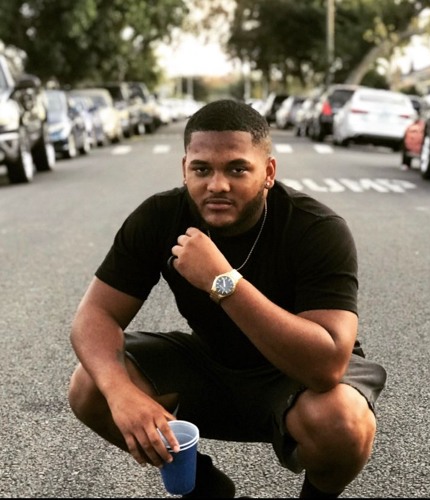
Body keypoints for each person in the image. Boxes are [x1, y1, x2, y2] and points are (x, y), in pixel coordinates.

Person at [68, 99, 387, 498]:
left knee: (344, 420)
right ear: (185, 168)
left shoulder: (317, 229)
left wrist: (223, 282)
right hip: (211, 364)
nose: (217, 185)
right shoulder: (158, 217)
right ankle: (207, 490)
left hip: (295, 373)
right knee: (90, 386)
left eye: (237, 169)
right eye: (202, 169)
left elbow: (326, 366)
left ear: (268, 172)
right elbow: (95, 315)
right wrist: (121, 395)